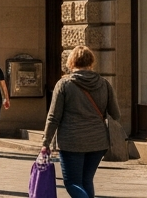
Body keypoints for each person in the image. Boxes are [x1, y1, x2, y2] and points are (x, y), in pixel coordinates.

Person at [41, 46, 121, 198]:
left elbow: (53, 117)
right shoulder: (104, 84)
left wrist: (46, 142)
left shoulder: (64, 84)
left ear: (71, 62)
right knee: (86, 180)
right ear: (91, 62)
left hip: (71, 141)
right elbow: (116, 114)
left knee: (72, 183)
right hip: (98, 141)